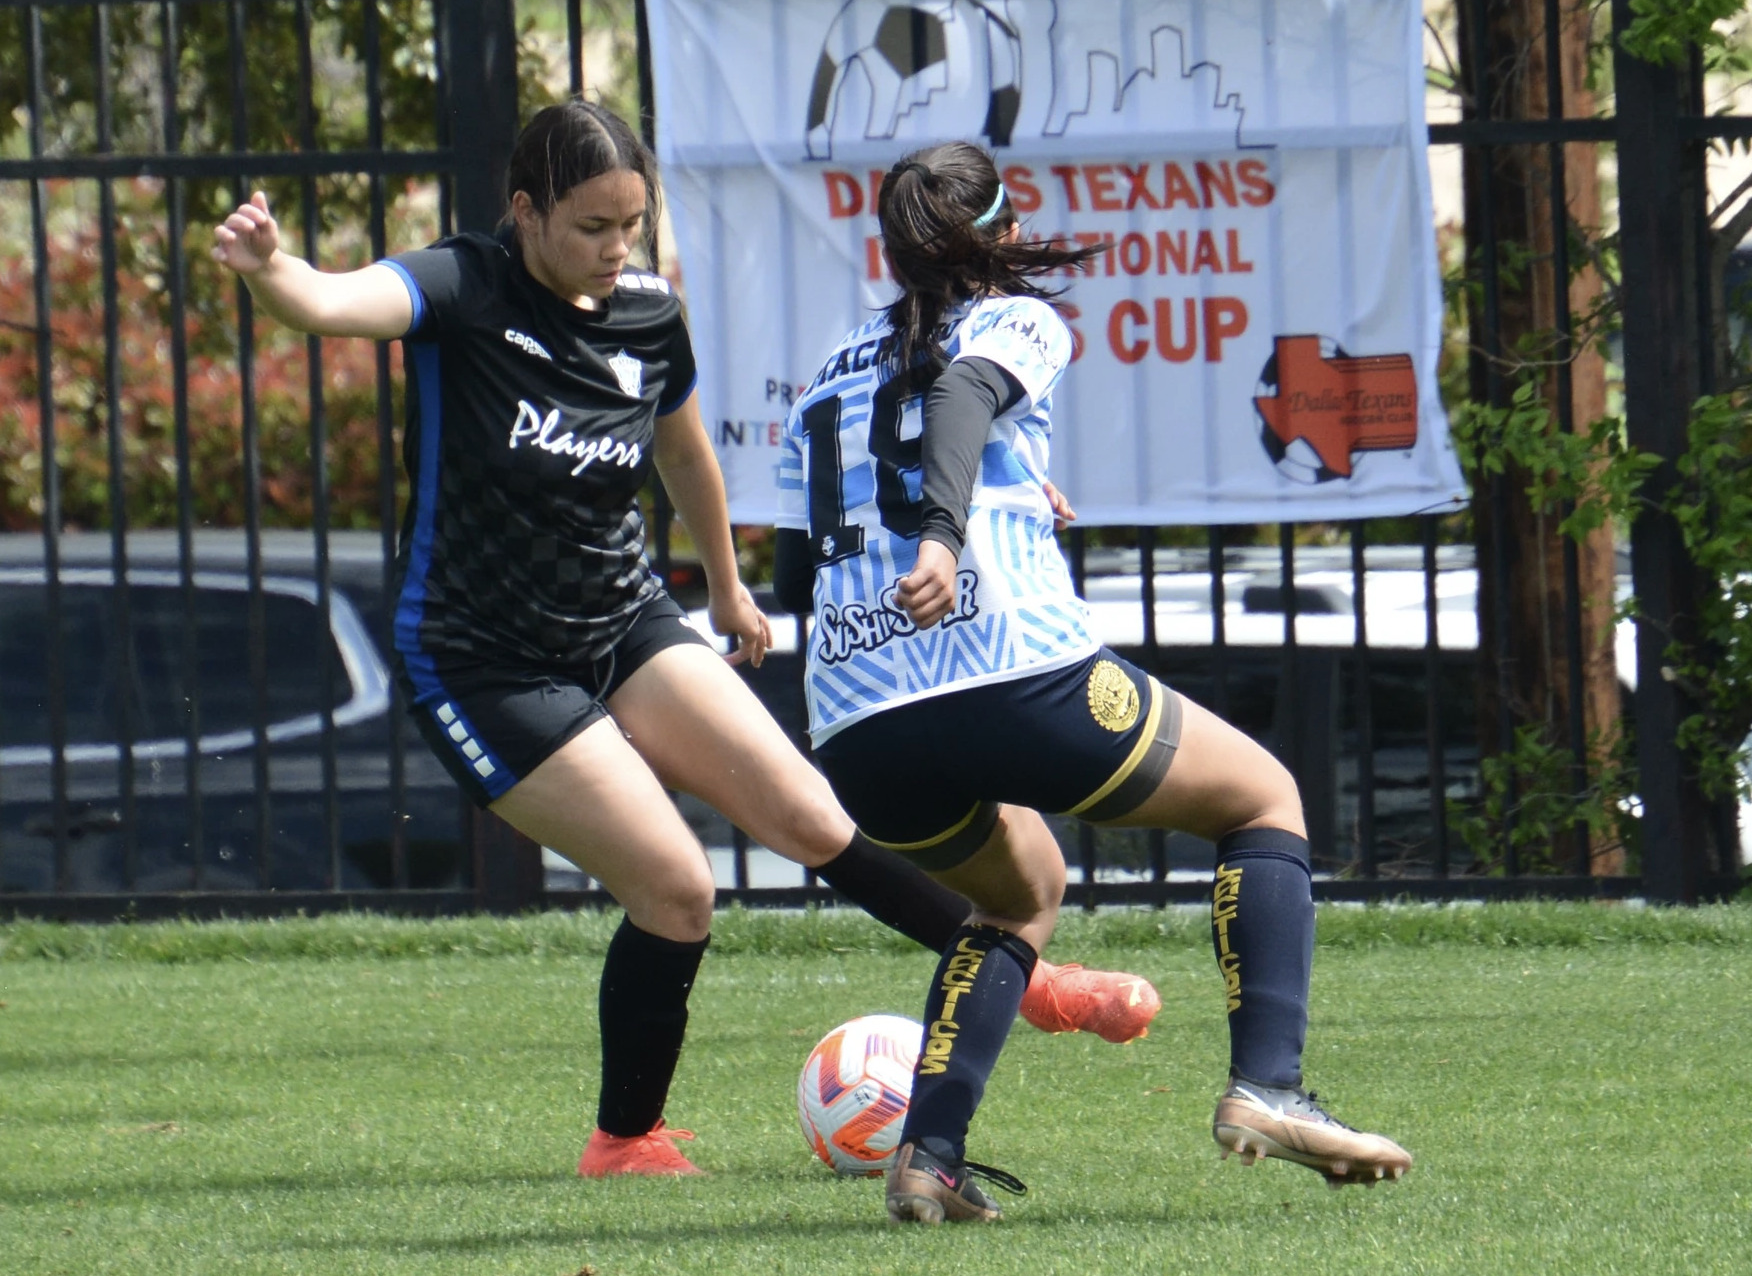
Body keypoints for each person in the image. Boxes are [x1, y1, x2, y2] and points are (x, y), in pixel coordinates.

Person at [210, 101, 1159, 1180]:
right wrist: (270, 269)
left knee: (811, 812)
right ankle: (624, 1140)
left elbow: (687, 453)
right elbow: (331, 302)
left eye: (634, 222)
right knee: (677, 885)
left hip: (623, 619)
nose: (619, 249)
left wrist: (724, 581)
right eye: (592, 226)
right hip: (484, 662)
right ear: (525, 213)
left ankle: (1022, 978)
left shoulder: (647, 310)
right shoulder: (463, 287)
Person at [773, 140, 1412, 1224]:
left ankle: (928, 1154)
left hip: (858, 725)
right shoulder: (1013, 321)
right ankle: (1268, 1083)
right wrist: (946, 531)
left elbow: (799, 569)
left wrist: (1005, 491)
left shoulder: (825, 375)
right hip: (1010, 669)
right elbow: (968, 393)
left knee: (1017, 895)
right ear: (1003, 234)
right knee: (1263, 798)